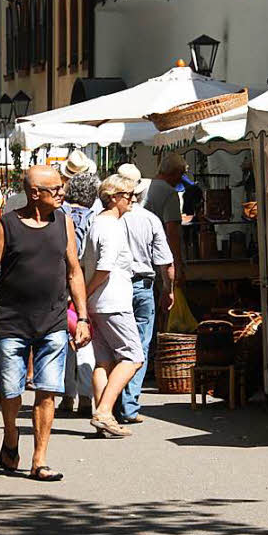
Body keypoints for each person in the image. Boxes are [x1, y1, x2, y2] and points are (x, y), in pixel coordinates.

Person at [0, 166, 90, 482]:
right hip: (13, 323)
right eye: (56, 189)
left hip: (52, 323)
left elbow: (74, 271)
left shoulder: (63, 222)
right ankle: (11, 436)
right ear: (35, 193)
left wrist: (82, 317)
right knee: (10, 390)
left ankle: (39, 460)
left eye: (62, 188)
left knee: (47, 391)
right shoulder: (7, 226)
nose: (62, 194)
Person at [81, 174, 144, 438]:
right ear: (114, 198)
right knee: (133, 357)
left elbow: (89, 261)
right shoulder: (113, 226)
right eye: (129, 195)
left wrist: (86, 298)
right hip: (112, 300)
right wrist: (85, 294)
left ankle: (102, 417)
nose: (133, 199)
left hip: (99, 302)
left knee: (103, 361)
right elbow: (104, 267)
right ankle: (105, 411)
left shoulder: (97, 222)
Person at [112, 164, 176, 425]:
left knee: (116, 347)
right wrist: (168, 290)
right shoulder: (149, 219)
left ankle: (112, 403)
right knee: (139, 346)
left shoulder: (107, 217)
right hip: (142, 287)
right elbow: (166, 263)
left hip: (114, 287)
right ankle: (128, 405)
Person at [59, 170, 100, 416]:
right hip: (85, 284)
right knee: (85, 340)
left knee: (64, 341)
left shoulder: (58, 214)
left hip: (60, 284)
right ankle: (85, 397)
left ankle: (66, 396)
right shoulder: (94, 217)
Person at [144, 153, 187, 283]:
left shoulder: (143, 186)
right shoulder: (170, 193)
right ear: (174, 173)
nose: (181, 179)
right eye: (181, 175)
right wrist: (178, 265)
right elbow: (172, 232)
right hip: (160, 258)